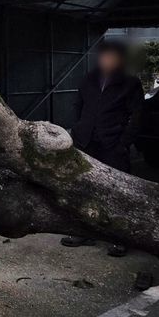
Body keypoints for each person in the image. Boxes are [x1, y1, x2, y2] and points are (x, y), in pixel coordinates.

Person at [61, 40, 144, 256]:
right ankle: (84, 232)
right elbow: (78, 105)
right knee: (84, 188)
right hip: (86, 142)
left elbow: (137, 116)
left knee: (118, 191)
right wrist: (78, 129)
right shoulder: (88, 79)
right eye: (105, 55)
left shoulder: (130, 83)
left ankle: (119, 238)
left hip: (113, 144)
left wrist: (123, 143)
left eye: (112, 56)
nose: (107, 60)